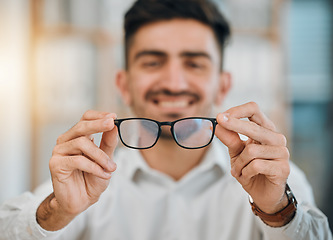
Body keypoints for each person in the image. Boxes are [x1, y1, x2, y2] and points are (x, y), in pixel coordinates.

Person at [0, 0, 332, 239]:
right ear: (123, 86)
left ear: (223, 85)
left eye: (194, 63)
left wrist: (277, 211)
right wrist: (58, 212)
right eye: (152, 62)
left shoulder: (272, 181)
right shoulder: (88, 178)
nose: (174, 82)